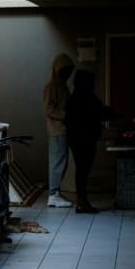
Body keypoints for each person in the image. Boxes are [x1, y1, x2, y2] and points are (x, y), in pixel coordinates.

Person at [65, 69, 119, 213]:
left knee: (81, 170)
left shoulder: (75, 97)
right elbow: (101, 111)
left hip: (76, 139)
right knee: (83, 170)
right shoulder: (87, 97)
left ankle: (81, 201)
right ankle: (82, 203)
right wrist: (119, 115)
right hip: (85, 139)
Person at [43, 53, 75, 207]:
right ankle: (53, 195)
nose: (67, 73)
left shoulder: (62, 85)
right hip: (57, 130)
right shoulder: (52, 86)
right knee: (58, 163)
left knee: (61, 162)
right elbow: (48, 109)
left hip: (62, 129)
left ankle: (55, 193)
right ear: (57, 69)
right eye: (64, 70)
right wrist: (65, 116)